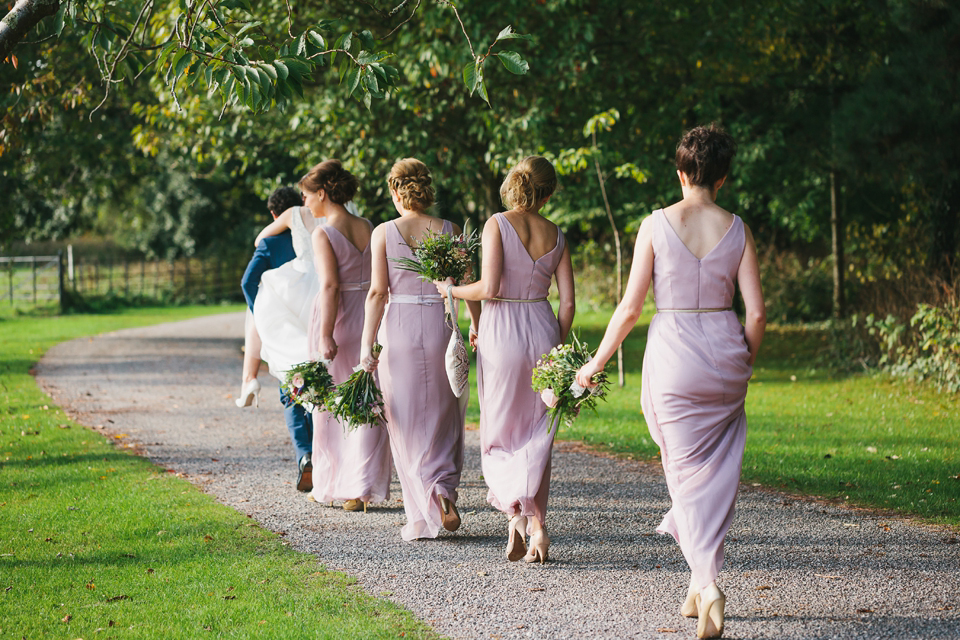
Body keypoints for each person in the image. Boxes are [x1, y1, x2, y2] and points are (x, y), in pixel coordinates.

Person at [575, 124, 765, 639]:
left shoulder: (655, 224)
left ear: (681, 172)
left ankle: (708, 586)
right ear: (722, 178)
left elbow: (631, 307)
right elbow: (758, 314)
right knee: (715, 472)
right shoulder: (739, 228)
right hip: (725, 355)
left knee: (683, 475)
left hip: (675, 356)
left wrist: (594, 362)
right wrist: (745, 360)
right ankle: (697, 585)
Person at [435, 156, 575, 564]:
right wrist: (556, 351)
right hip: (543, 328)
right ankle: (536, 527)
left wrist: (451, 291)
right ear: (548, 193)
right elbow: (567, 303)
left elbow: (490, 286)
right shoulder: (557, 235)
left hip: (503, 331)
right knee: (538, 431)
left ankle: (514, 513)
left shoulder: (497, 223)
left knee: (500, 429)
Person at [359, 158, 477, 541]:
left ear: (395, 191)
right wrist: (476, 323)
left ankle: (424, 507)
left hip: (401, 329)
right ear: (427, 187)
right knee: (444, 412)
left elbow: (378, 293)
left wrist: (366, 345)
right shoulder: (449, 229)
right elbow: (466, 281)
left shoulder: (383, 233)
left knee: (405, 418)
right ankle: (443, 489)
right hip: (442, 326)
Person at [303, 160, 392, 511]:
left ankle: (331, 482)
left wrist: (325, 333)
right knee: (367, 399)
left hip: (339, 318)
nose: (306, 203)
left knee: (331, 405)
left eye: (307, 196)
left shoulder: (323, 233)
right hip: (368, 317)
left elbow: (329, 285)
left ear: (323, 194)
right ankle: (361, 487)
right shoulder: (368, 225)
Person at [238, 186, 315, 492]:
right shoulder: (317, 235)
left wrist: (261, 315)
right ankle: (322, 455)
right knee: (318, 384)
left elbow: (247, 281)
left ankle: (304, 454)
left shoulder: (268, 243)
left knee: (291, 388)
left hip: (284, 327)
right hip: (314, 317)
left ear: (275, 214)